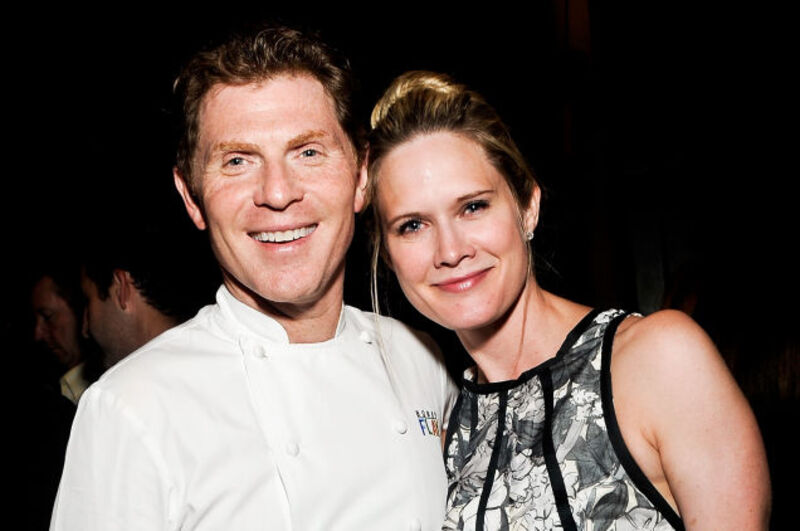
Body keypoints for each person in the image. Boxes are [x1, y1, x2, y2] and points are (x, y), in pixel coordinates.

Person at [51, 28, 455, 530]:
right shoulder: (130, 408)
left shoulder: (421, 360)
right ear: (191, 196)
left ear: (360, 174)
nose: (278, 193)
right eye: (237, 161)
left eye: (308, 152)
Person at [365, 71, 770, 530]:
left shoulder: (657, 360)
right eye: (413, 225)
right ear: (388, 255)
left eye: (473, 206)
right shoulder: (446, 430)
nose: (451, 250)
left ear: (528, 207)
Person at [81, 226, 211, 369]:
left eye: (88, 301)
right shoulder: (212, 360)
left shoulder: (118, 384)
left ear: (121, 289)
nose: (85, 328)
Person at [32, 264, 99, 404]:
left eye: (47, 317)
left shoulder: (102, 393)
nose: (38, 334)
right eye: (33, 321)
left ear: (81, 311)